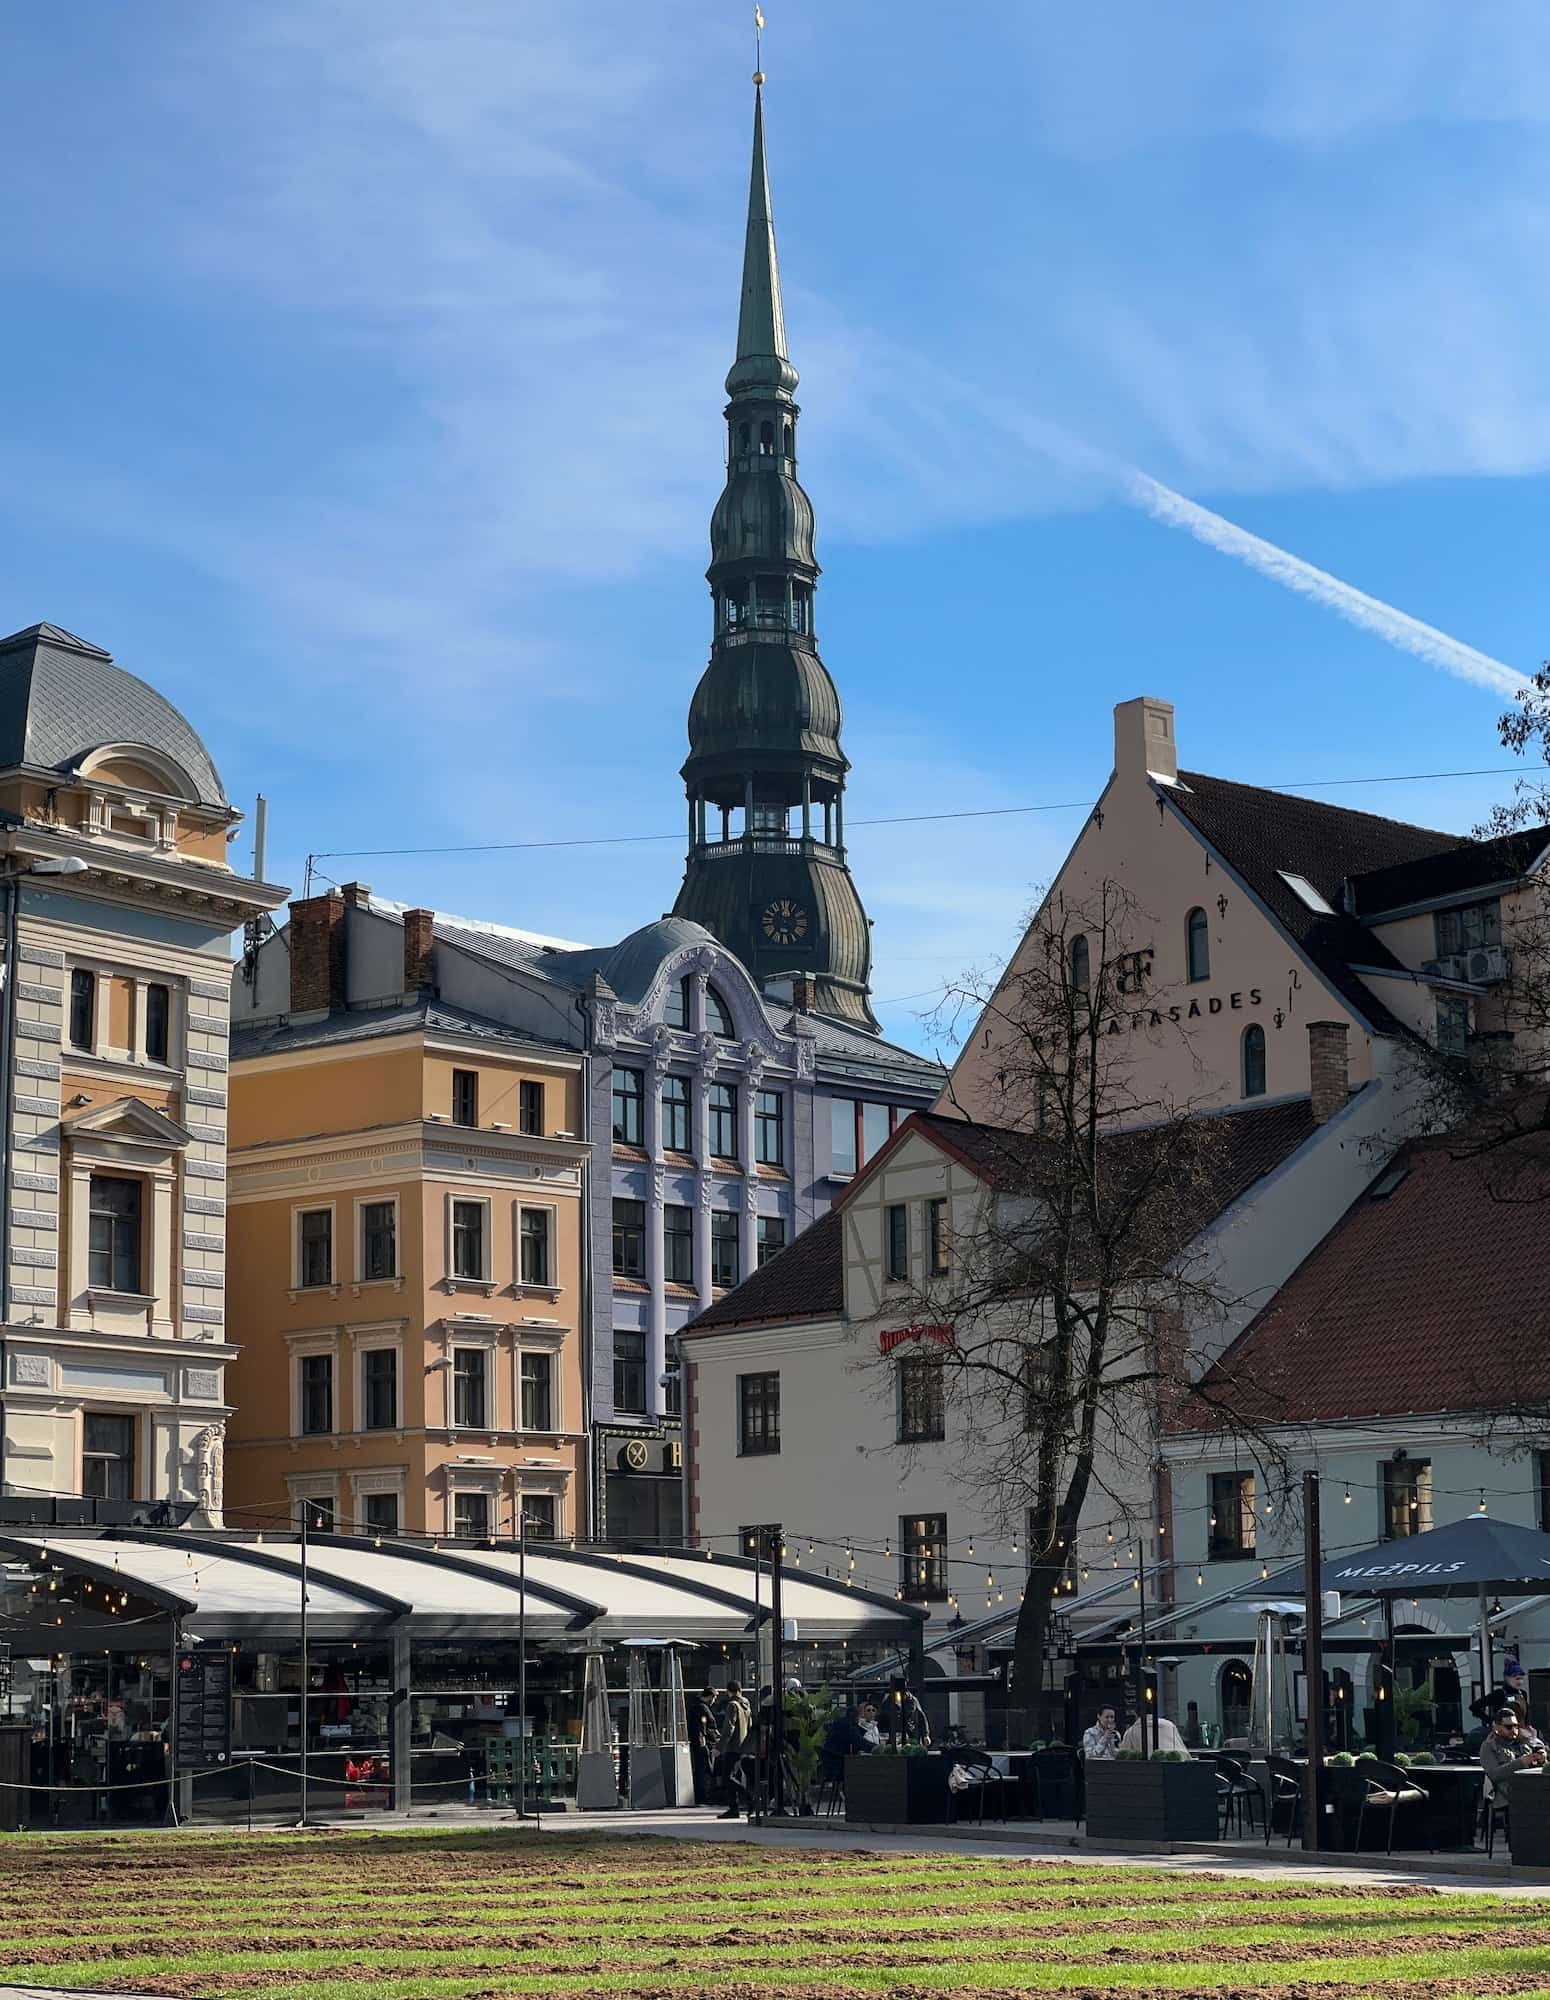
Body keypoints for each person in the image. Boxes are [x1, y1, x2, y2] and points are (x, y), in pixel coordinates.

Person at [1479, 1708, 1546, 1803]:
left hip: (1533, 1792)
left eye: (1516, 1726)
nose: (1514, 1730)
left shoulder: (1527, 1742)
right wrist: (1521, 1762)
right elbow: (1494, 1775)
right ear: (1497, 1727)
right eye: (1509, 1727)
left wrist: (1542, 1760)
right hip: (1507, 1798)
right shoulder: (1489, 1746)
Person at [714, 1683, 752, 1819]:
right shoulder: (746, 1705)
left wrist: (719, 1747)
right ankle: (734, 1807)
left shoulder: (732, 1705)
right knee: (733, 1777)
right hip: (743, 1746)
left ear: (729, 1692)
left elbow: (729, 1728)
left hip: (732, 1746)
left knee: (727, 1777)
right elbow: (750, 1725)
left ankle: (749, 1799)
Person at [1471, 1660, 1534, 1731]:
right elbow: (1474, 1707)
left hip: (1521, 1732)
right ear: (1506, 1678)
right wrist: (1491, 1722)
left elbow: (1526, 1715)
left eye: (1522, 1678)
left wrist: (1528, 1726)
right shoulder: (1499, 1694)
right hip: (1503, 1734)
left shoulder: (1523, 1693)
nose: (1520, 1682)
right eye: (1517, 1678)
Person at [685, 1684, 719, 1807]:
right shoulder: (702, 1709)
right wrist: (704, 1743)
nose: (714, 1701)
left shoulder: (697, 1707)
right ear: (710, 1696)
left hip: (701, 1743)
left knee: (702, 1770)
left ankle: (703, 1796)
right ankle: (704, 1797)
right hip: (704, 1744)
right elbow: (702, 1727)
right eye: (714, 1698)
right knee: (705, 1770)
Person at [1118, 1712, 1188, 1755]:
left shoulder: (1132, 1731)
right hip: (1180, 1765)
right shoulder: (1169, 1724)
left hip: (1152, 1771)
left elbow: (1123, 1754)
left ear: (1136, 1715)